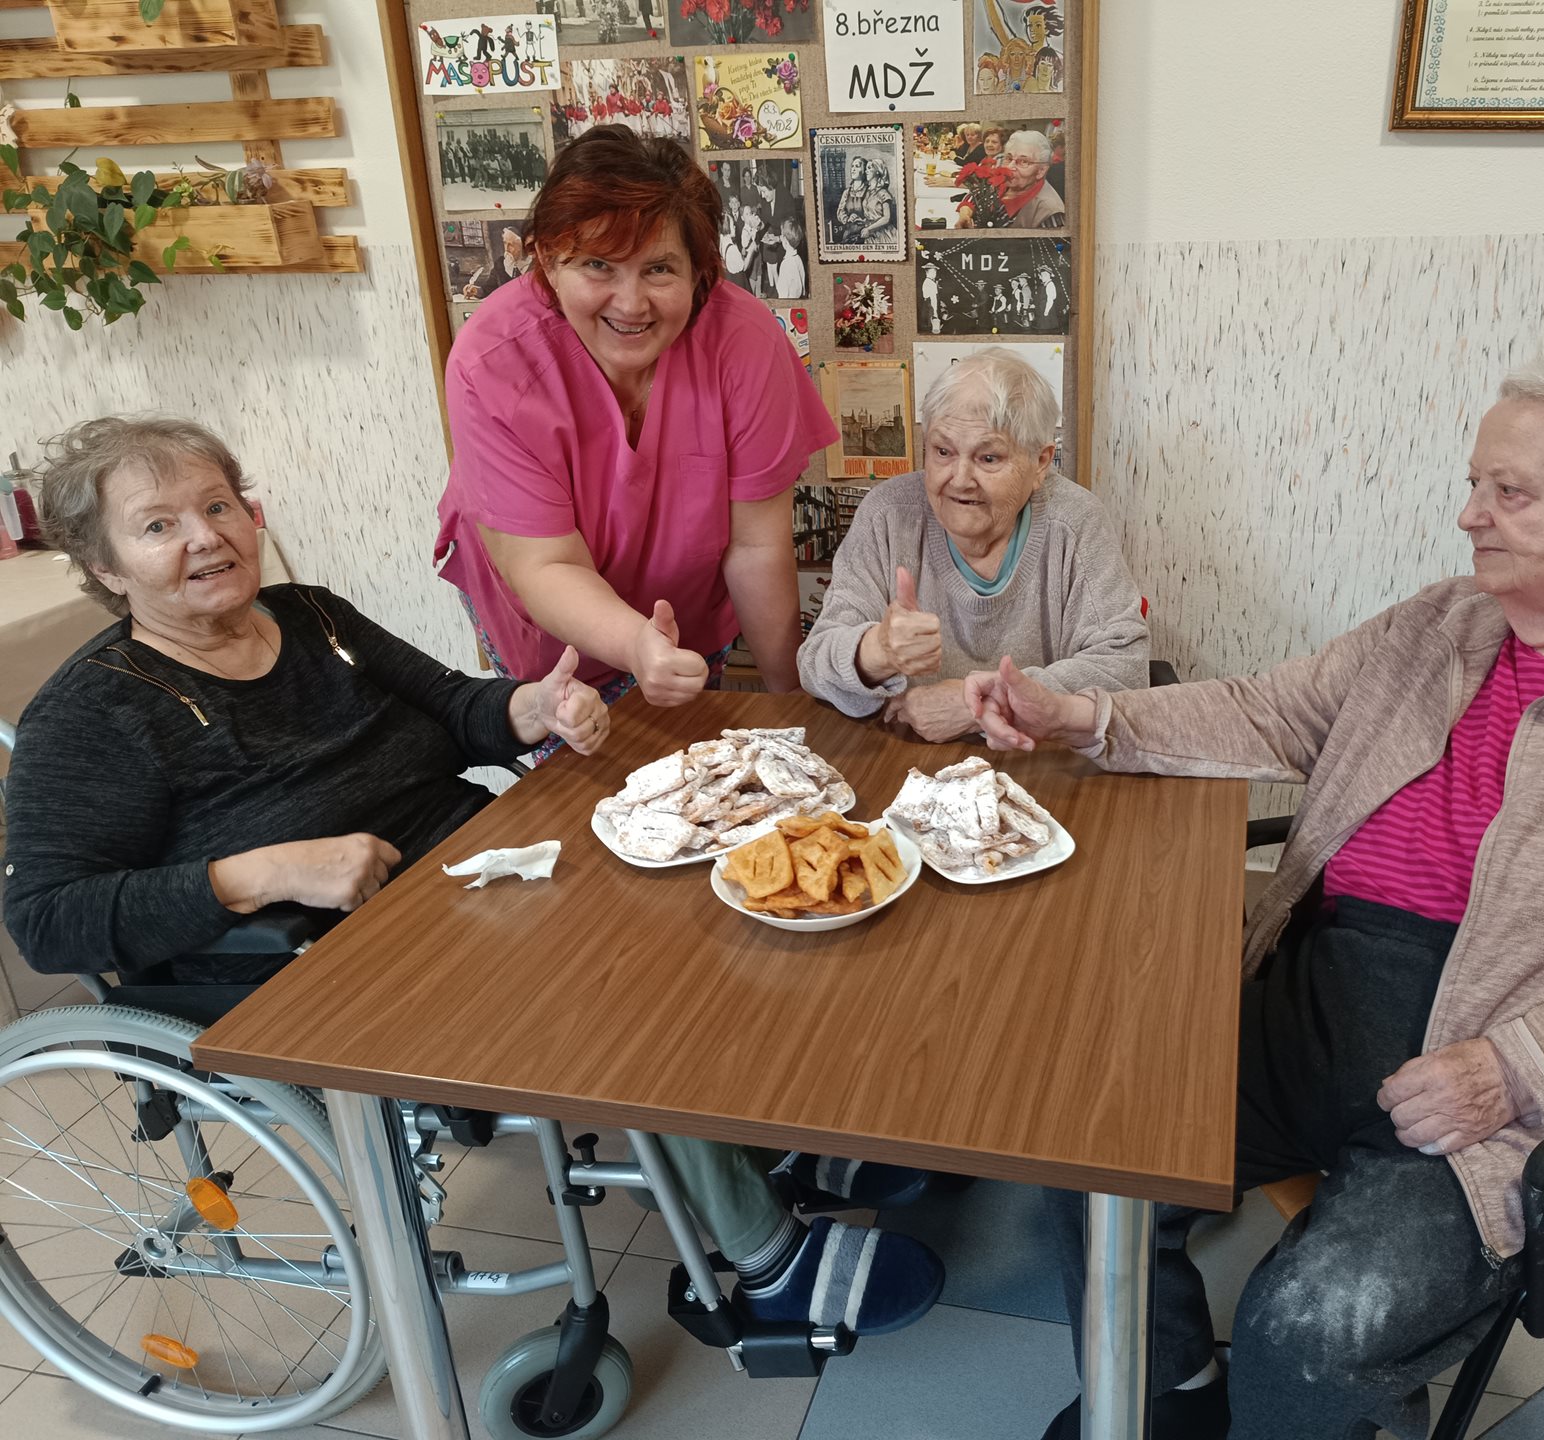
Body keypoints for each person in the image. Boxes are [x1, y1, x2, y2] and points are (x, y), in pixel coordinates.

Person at [964, 324, 1544, 1440]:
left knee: (1309, 1331)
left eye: (1510, 493)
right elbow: (1268, 710)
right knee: (1087, 1145)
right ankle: (1167, 1397)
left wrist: (1516, 1068)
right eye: (1475, 484)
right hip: (1326, 993)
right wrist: (1084, 715)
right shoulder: (1445, 622)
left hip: (1507, 1078)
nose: (1471, 515)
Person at [3, 414, 946, 1342]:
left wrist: (535, 707)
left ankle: (767, 1145)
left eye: (217, 506)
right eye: (159, 525)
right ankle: (770, 1265)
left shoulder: (310, 616)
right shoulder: (95, 713)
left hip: (471, 877)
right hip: (328, 959)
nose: (206, 536)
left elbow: (454, 707)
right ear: (105, 568)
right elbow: (45, 919)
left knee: (704, 911)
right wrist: (260, 874)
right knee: (634, 991)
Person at [435, 127, 836, 760]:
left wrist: (792, 699)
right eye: (597, 264)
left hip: (683, 615)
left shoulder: (745, 342)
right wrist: (635, 643)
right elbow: (545, 566)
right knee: (585, 777)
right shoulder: (493, 360)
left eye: (659, 269)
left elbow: (756, 545)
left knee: (697, 768)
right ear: (548, 261)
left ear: (700, 271)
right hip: (553, 624)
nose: (631, 303)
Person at [799, 348, 1147, 741]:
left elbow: (1126, 669)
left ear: (1040, 463)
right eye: (943, 452)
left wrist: (979, 705)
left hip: (1032, 756)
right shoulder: (888, 515)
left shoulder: (1075, 521)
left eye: (988, 458)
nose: (960, 479)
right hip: (903, 755)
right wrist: (876, 651)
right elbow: (814, 663)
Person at [999, 130, 1066, 229]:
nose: (1010, 167)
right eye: (1009, 158)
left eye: (1023, 161)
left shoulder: (1049, 212)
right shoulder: (1000, 186)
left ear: (1041, 171)